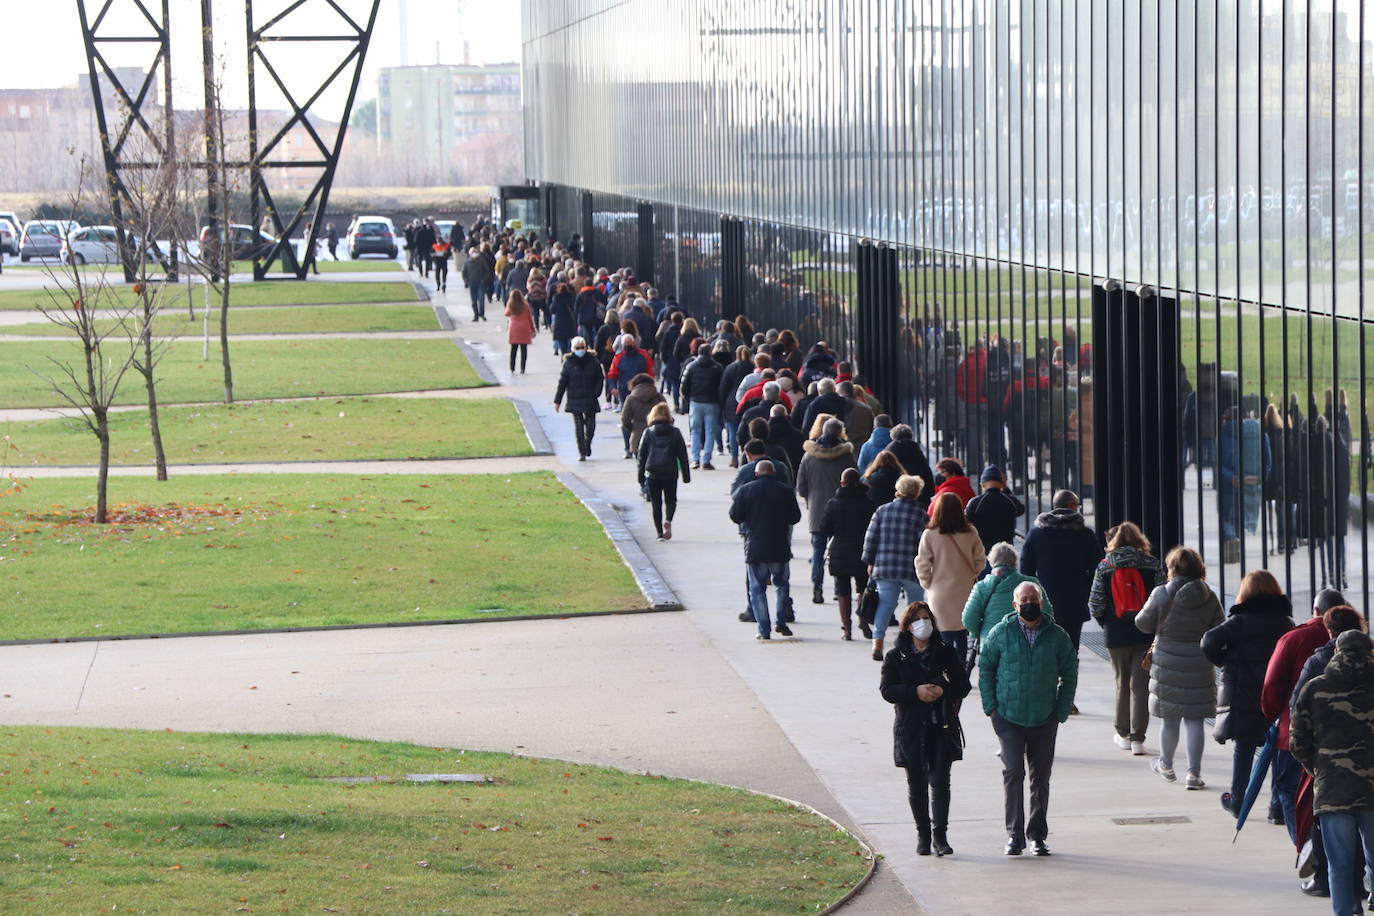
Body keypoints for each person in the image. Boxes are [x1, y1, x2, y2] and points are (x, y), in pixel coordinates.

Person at [978, 581, 1078, 856]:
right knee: (1013, 772)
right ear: (1015, 605)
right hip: (1008, 718)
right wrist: (991, 708)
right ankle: (1014, 835)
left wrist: (1060, 710)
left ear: (1042, 603)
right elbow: (985, 668)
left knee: (1040, 778)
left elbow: (1070, 672)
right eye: (1024, 599)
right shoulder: (1001, 633)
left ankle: (1037, 835)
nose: (1029, 603)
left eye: (1034, 598)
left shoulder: (1057, 636)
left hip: (1044, 718)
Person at [1263, 588, 1350, 882]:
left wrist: (1272, 715)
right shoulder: (1365, 651)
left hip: (1302, 739)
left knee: (1294, 794)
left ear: (1317, 612)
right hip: (1356, 748)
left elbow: (1276, 689)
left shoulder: (1298, 642)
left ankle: (1309, 849)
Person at [1291, 630, 1374, 916]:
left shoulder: (1315, 688)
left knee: (1339, 863)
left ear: (1336, 651)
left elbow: (1297, 740)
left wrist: (1317, 769)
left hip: (1332, 788)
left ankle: (1344, 912)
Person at [880, 601, 972, 857]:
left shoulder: (946, 652)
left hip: (941, 727)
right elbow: (887, 690)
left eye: (927, 618)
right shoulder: (895, 656)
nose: (924, 623)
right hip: (911, 729)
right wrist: (915, 692)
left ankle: (940, 836)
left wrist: (942, 689)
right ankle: (923, 833)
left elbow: (962, 685)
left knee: (941, 782)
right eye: (918, 619)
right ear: (908, 626)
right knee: (917, 783)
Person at [1201, 569, 1295, 819]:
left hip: (1242, 693)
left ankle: (1238, 800)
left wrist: (1225, 662)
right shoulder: (1285, 623)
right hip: (1275, 694)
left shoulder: (1238, 622)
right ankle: (1277, 806)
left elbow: (1208, 642)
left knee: (1243, 749)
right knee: (1276, 749)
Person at [1135, 546, 1225, 790]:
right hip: (1199, 663)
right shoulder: (1209, 596)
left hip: (1167, 663)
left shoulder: (1161, 594)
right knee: (1195, 720)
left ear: (1172, 568)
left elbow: (1142, 623)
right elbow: (1219, 627)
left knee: (1170, 718)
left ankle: (1166, 764)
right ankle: (1193, 774)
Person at [1089, 521, 1164, 754]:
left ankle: (1122, 733)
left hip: (1116, 633)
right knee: (1140, 686)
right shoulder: (1152, 564)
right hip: (1144, 632)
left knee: (1122, 683)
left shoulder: (1105, 566)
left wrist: (1107, 623)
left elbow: (1096, 602)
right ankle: (1138, 739)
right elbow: (1163, 599)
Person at [1020, 490, 1102, 660]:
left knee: (1045, 651)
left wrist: (1035, 595)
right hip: (1075, 602)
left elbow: (1025, 571)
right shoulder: (1085, 535)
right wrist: (1085, 591)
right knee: (1071, 652)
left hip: (1044, 603)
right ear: (1071, 506)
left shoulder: (1036, 534)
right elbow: (1097, 569)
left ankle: (1049, 684)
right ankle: (1067, 685)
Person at [729, 460, 802, 640]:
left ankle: (764, 629)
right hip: (779, 546)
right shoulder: (785, 490)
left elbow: (735, 515)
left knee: (757, 589)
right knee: (782, 585)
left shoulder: (746, 490)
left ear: (756, 473)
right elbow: (795, 517)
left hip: (755, 546)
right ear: (774, 472)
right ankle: (781, 622)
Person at [862, 475, 928, 661]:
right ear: (916, 492)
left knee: (885, 604)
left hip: (885, 567)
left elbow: (871, 538)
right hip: (911, 568)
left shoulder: (882, 511)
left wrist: (870, 561)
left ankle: (878, 642)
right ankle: (911, 643)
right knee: (914, 606)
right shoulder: (920, 514)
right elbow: (925, 543)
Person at [915, 492, 986, 663]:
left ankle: (945, 672)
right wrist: (971, 575)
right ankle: (960, 673)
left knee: (942, 634)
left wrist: (927, 583)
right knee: (961, 634)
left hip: (939, 591)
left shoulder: (930, 534)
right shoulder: (970, 532)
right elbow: (981, 560)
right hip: (965, 590)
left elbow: (922, 562)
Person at [796, 418, 858, 606]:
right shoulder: (847, 457)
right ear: (840, 433)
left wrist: (810, 499)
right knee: (844, 550)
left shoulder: (809, 456)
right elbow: (856, 481)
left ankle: (817, 585)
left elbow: (801, 486)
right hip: (843, 510)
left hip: (818, 510)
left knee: (818, 551)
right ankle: (841, 588)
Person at [821, 467, 877, 640]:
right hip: (862, 551)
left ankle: (847, 629)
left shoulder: (833, 503)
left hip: (839, 551)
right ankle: (862, 617)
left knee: (842, 591)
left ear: (842, 483)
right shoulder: (868, 503)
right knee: (862, 588)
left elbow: (824, 528)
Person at [963, 542, 1052, 642]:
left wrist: (980, 633)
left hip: (991, 641)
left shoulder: (981, 587)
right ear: (1015, 561)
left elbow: (968, 619)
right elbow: (1047, 614)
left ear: (992, 561)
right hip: (1026, 641)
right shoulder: (1032, 583)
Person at [637, 403, 691, 541]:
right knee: (671, 500)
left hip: (653, 471)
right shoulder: (675, 432)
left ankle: (659, 533)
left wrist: (640, 477)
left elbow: (641, 456)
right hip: (670, 471)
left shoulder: (648, 432)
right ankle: (668, 519)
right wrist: (686, 475)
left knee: (656, 503)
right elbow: (682, 455)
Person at [553, 336, 604, 461]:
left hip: (590, 397)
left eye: (582, 347)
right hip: (575, 399)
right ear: (573, 349)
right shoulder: (568, 363)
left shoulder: (593, 361)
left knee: (591, 426)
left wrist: (597, 392)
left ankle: (587, 443)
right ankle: (582, 451)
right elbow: (562, 382)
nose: (580, 350)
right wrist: (557, 400)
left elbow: (600, 378)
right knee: (579, 427)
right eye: (577, 348)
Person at [680, 338, 724, 469]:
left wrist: (689, 398)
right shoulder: (717, 367)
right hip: (711, 402)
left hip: (696, 401)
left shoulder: (692, 366)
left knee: (695, 431)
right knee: (710, 431)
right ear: (710, 352)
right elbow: (721, 386)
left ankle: (695, 459)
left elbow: (684, 385)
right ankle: (706, 460)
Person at [965, 465, 1025, 554]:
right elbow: (1021, 509)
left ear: (982, 484)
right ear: (1001, 483)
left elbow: (967, 522)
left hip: (982, 551)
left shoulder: (975, 503)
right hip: (1005, 551)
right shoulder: (1009, 501)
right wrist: (1005, 489)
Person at [885, 424, 937, 506]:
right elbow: (927, 474)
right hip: (920, 497)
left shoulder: (890, 451)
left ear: (893, 437)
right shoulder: (916, 450)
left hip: (896, 496)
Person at [621, 373, 665, 458]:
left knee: (641, 465)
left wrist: (633, 428)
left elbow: (625, 419)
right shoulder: (659, 397)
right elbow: (667, 416)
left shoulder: (631, 398)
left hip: (638, 436)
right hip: (658, 437)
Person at [504, 290, 537, 374]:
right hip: (524, 328)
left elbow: (506, 314)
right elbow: (530, 318)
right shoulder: (525, 305)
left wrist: (508, 303)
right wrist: (533, 329)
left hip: (514, 328)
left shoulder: (511, 305)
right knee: (524, 349)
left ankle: (512, 367)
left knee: (513, 349)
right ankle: (523, 368)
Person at [548, 281, 578, 355]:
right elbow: (574, 308)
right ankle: (568, 351)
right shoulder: (571, 297)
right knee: (569, 338)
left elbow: (552, 310)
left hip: (559, 320)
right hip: (569, 320)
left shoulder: (556, 298)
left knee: (561, 339)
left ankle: (563, 353)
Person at [462, 248, 492, 320]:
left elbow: (487, 271)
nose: (474, 253)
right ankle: (476, 315)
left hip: (481, 283)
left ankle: (481, 314)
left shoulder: (482, 261)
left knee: (481, 299)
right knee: (474, 301)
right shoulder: (467, 262)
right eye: (473, 252)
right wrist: (467, 281)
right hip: (472, 283)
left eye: (475, 252)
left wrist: (484, 280)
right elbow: (464, 273)